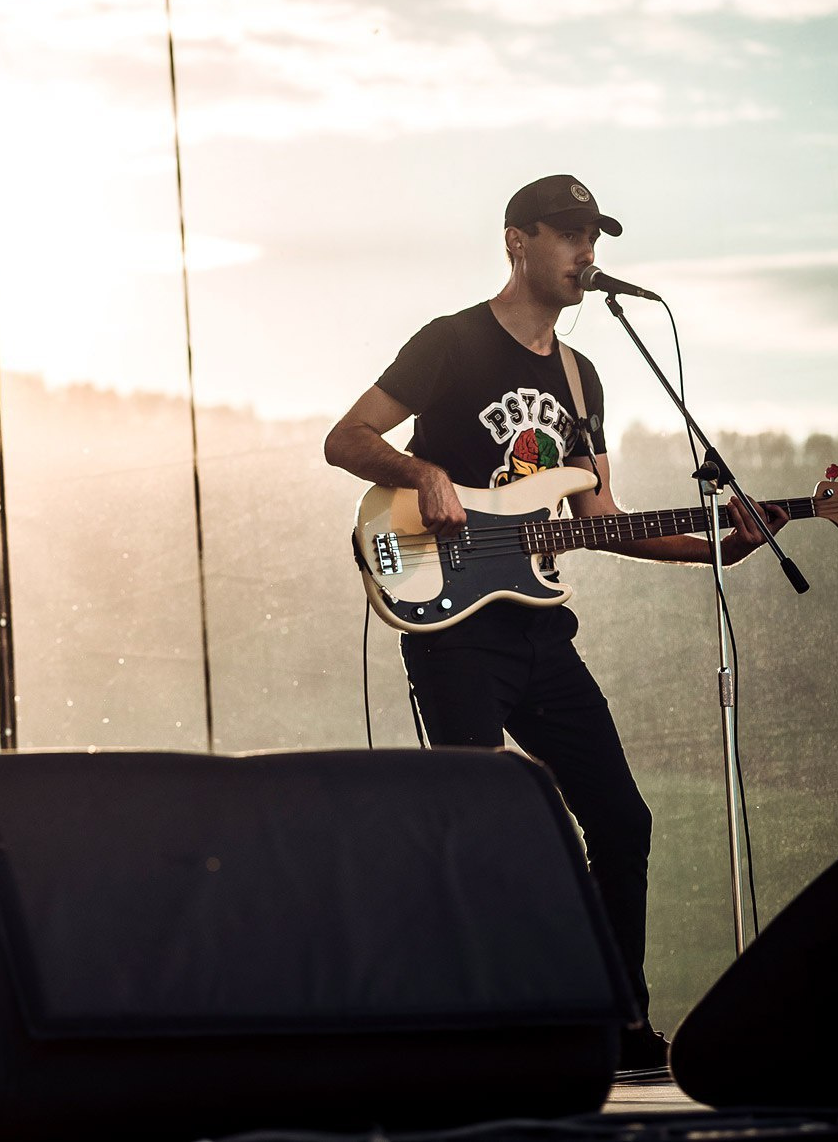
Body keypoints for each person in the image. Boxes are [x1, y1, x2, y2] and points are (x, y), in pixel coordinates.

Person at [322, 173, 785, 1075]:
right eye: (569, 235)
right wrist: (422, 473)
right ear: (517, 241)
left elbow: (600, 518)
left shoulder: (582, 376)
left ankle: (619, 1022)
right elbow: (347, 439)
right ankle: (472, 1028)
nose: (586, 253)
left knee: (621, 819)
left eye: (593, 237)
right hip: (453, 628)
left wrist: (722, 548)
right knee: (474, 825)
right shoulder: (450, 342)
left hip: (539, 632)